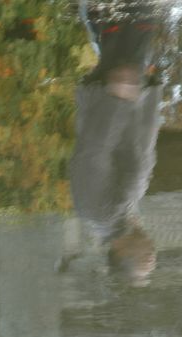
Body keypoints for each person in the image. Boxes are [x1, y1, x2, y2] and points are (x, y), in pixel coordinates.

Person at [68, 0, 163, 286]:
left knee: (141, 13)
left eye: (145, 261)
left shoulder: (97, 213)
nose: (153, 255)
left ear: (121, 253)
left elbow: (93, 151)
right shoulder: (123, 215)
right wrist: (152, 93)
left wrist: (117, 98)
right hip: (130, 89)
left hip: (114, 92)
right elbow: (139, 148)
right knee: (123, 18)